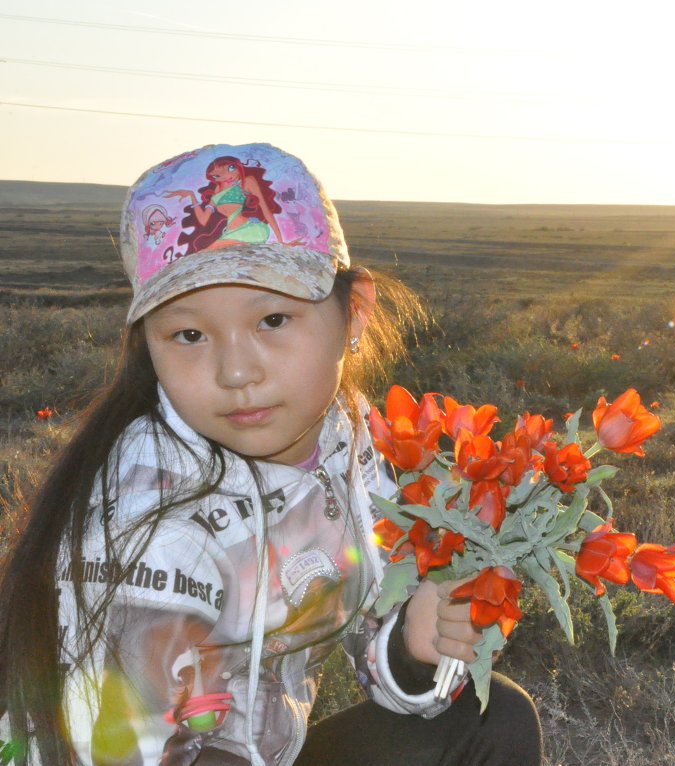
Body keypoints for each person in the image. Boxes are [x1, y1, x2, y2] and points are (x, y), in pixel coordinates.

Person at [0, 143, 543, 765]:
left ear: (354, 312)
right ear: (146, 344)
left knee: (491, 719)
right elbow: (111, 750)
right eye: (190, 334)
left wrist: (411, 649)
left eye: (274, 320)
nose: (236, 371)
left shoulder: (352, 439)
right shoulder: (153, 525)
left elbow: (376, 634)